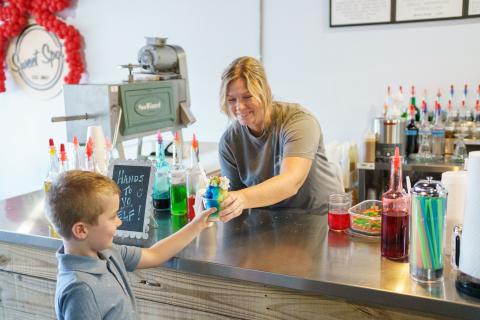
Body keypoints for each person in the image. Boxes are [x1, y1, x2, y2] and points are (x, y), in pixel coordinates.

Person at [45, 170, 215, 320]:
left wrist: (197, 223)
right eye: (113, 217)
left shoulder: (107, 252)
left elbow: (155, 254)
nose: (119, 221)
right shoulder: (80, 290)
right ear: (81, 230)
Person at [218, 56, 343, 222]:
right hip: (271, 222)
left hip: (320, 219)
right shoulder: (230, 142)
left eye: (247, 97)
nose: (239, 107)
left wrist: (241, 198)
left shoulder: (299, 121)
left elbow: (291, 181)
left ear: (266, 92)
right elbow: (234, 203)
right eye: (231, 100)